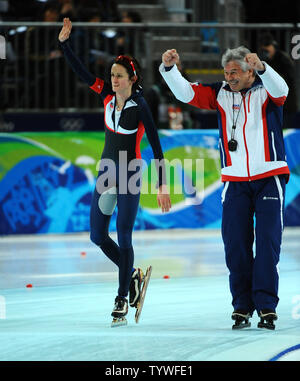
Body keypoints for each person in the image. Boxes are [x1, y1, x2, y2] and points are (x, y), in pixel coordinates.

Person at [160, 46, 290, 330]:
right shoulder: (219, 93)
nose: (230, 77)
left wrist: (264, 68)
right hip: (234, 181)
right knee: (235, 246)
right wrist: (170, 70)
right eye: (226, 72)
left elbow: (283, 90)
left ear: (249, 71)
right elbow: (186, 93)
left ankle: (267, 306)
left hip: (269, 176)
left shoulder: (266, 90)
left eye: (235, 72)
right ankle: (242, 306)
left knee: (268, 244)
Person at [58, 18, 171, 323]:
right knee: (97, 236)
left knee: (124, 236)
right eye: (111, 75)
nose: (113, 80)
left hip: (131, 174)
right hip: (107, 172)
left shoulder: (140, 106)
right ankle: (132, 274)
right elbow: (82, 73)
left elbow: (157, 148)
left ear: (132, 78)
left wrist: (162, 185)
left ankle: (122, 297)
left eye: (119, 76)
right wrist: (64, 44)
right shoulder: (106, 98)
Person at [258, 33, 298, 129]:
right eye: (263, 48)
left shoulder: (284, 59)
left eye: (267, 47)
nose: (266, 51)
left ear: (273, 46)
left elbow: (290, 80)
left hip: (286, 105)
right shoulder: (262, 62)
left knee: (284, 131)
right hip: (270, 104)